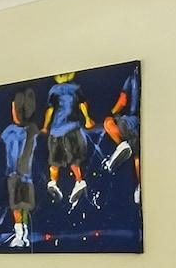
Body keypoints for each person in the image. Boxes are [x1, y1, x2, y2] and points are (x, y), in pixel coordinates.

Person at [43, 72, 93, 204]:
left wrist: (45, 127)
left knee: (60, 161)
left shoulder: (61, 89)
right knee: (69, 160)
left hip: (63, 129)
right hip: (64, 129)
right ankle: (71, 182)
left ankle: (58, 182)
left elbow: (50, 109)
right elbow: (82, 104)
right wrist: (87, 120)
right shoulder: (71, 88)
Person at [1, 87, 42, 246]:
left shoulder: (10, 131)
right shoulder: (32, 130)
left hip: (15, 173)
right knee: (24, 205)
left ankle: (20, 234)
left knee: (17, 206)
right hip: (26, 174)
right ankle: (23, 233)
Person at [102, 67, 141, 203]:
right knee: (137, 156)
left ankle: (121, 145)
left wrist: (111, 113)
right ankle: (139, 186)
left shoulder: (130, 78)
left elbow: (122, 101)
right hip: (139, 125)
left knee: (108, 122)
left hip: (129, 122)